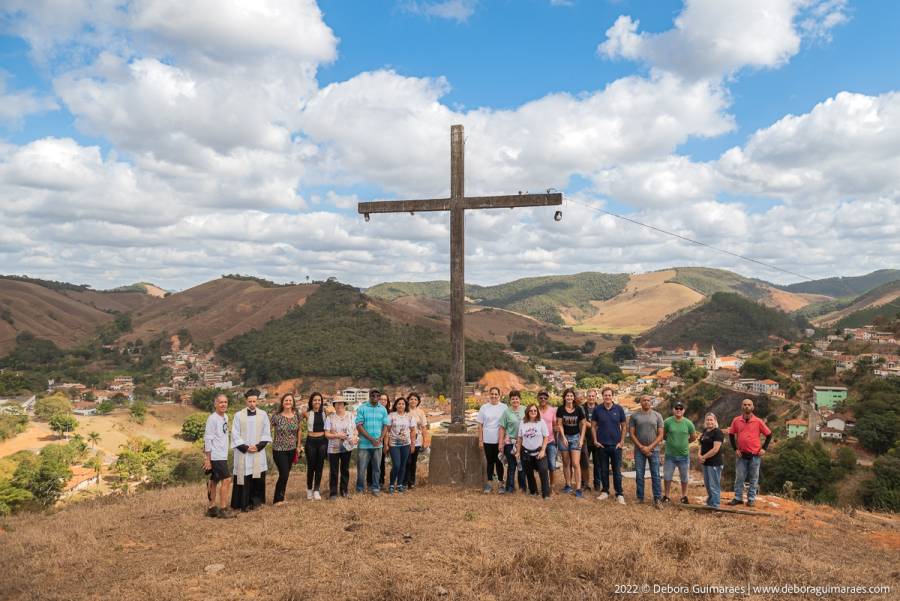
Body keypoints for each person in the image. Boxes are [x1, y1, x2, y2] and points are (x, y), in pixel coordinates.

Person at [231, 389, 272, 512]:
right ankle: (242, 504)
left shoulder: (263, 414)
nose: (252, 404)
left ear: (257, 401)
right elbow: (234, 434)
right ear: (246, 401)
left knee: (257, 477)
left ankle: (256, 502)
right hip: (243, 452)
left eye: (254, 401)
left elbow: (266, 432)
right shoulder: (238, 415)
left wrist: (258, 446)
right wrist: (245, 447)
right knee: (244, 476)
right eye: (250, 401)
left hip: (257, 452)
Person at [728, 398, 772, 508]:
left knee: (754, 478)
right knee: (739, 477)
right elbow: (731, 434)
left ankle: (751, 499)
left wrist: (764, 448)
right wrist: (735, 449)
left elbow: (769, 434)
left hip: (755, 455)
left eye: (749, 405)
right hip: (741, 454)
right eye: (745, 405)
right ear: (742, 407)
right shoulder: (736, 420)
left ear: (752, 407)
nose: (747, 406)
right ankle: (738, 498)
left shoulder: (758, 421)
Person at [591, 385, 627, 504]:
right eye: (605, 395)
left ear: (612, 396)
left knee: (617, 471)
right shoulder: (597, 409)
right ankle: (605, 491)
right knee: (604, 470)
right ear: (602, 396)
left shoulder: (619, 409)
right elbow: (593, 426)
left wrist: (621, 442)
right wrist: (595, 440)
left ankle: (619, 493)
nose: (607, 397)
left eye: (609, 395)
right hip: (602, 445)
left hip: (616, 446)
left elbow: (624, 426)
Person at [628, 395, 664, 507]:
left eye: (648, 400)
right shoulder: (634, 416)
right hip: (639, 450)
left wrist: (650, 447)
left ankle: (657, 499)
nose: (647, 402)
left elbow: (661, 434)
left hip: (655, 450)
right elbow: (632, 434)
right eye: (644, 400)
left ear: (651, 402)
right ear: (640, 402)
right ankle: (640, 498)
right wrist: (641, 447)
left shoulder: (658, 416)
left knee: (656, 475)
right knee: (639, 474)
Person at [203, 393, 234, 518]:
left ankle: (211, 508)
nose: (223, 404)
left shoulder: (225, 417)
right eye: (220, 402)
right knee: (226, 479)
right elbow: (208, 439)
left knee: (214, 480)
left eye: (225, 402)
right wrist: (208, 459)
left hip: (222, 454)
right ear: (215, 404)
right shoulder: (212, 419)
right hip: (216, 455)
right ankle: (223, 509)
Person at [356, 389, 390, 496]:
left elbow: (385, 425)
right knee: (361, 469)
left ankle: (375, 488)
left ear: (379, 397)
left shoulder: (383, 409)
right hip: (364, 445)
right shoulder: (362, 408)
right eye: (373, 395)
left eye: (377, 396)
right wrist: (371, 439)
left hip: (378, 445)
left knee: (377, 468)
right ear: (369, 396)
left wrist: (380, 438)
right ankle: (360, 488)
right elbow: (359, 426)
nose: (375, 397)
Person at [270, 393, 301, 505]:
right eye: (286, 400)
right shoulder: (276, 416)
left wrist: (298, 446)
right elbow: (268, 428)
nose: (288, 402)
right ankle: (277, 500)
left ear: (293, 403)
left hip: (292, 449)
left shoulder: (296, 415)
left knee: (286, 474)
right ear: (282, 403)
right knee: (284, 473)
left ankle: (281, 497)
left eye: (290, 401)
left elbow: (299, 430)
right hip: (278, 449)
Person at [662, 402, 697, 504]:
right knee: (667, 476)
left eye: (680, 408)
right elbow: (663, 435)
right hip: (670, 455)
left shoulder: (689, 423)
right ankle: (667, 496)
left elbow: (693, 437)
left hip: (684, 456)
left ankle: (684, 496)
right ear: (673, 410)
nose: (678, 410)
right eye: (676, 408)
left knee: (684, 477)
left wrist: (685, 442)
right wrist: (670, 441)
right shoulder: (668, 422)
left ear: (683, 411)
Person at [476, 386, 508, 493]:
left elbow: (506, 424)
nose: (494, 396)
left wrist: (504, 439)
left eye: (496, 394)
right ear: (489, 395)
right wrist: (480, 440)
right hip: (487, 439)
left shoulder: (504, 407)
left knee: (499, 462)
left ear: (499, 396)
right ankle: (489, 483)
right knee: (490, 462)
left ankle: (500, 484)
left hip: (499, 440)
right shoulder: (484, 408)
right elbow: (480, 425)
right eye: (492, 394)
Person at [516, 404, 551, 499]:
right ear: (527, 412)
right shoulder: (522, 422)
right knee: (529, 472)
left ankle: (546, 494)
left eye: (535, 410)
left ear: (537, 412)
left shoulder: (541, 422)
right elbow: (519, 438)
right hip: (526, 452)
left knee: (543, 470)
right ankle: (533, 491)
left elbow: (546, 437)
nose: (533, 412)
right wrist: (518, 452)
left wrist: (543, 450)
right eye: (531, 410)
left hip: (539, 451)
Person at [556, 387, 586, 498]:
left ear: (574, 398)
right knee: (566, 463)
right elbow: (559, 424)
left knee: (575, 463)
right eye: (567, 396)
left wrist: (581, 439)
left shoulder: (578, 409)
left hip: (575, 438)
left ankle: (578, 488)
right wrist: (563, 437)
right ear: (564, 397)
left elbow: (583, 424)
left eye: (571, 396)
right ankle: (568, 485)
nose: (569, 397)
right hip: (564, 438)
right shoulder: (560, 409)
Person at [325, 397, 357, 499]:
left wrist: (356, 437)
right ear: (334, 406)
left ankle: (344, 491)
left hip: (347, 447)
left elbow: (355, 430)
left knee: (345, 469)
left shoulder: (351, 416)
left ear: (344, 404)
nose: (339, 405)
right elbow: (326, 434)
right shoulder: (330, 417)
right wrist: (337, 435)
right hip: (333, 448)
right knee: (334, 471)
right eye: (336, 404)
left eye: (341, 403)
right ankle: (333, 493)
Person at [498, 390, 527, 494]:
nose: (515, 400)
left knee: (521, 465)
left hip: (523, 442)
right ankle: (510, 488)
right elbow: (501, 428)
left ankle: (522, 487)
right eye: (513, 398)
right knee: (512, 465)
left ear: (520, 399)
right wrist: (500, 443)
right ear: (510, 401)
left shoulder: (525, 409)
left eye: (517, 398)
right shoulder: (506, 412)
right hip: (510, 442)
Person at [387, 397, 417, 494]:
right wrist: (386, 444)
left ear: (405, 406)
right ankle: (392, 484)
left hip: (406, 444)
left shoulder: (409, 416)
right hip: (394, 444)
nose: (401, 405)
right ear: (396, 405)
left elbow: (413, 431)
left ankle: (399, 484)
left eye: (403, 404)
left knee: (403, 465)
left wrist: (413, 444)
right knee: (396, 465)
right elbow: (387, 431)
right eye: (399, 404)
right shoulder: (391, 416)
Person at [304, 392, 328, 501]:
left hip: (322, 441)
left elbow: (333, 409)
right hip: (311, 442)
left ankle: (316, 490)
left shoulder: (325, 413)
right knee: (311, 467)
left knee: (319, 466)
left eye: (319, 400)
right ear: (311, 402)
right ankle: (309, 489)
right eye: (315, 400)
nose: (317, 402)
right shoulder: (307, 413)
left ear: (321, 401)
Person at [366, 392, 392, 490]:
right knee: (370, 462)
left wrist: (386, 443)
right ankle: (369, 482)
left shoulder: (389, 413)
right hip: (373, 441)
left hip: (385, 441)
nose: (383, 401)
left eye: (385, 400)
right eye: (382, 399)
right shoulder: (373, 410)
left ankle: (380, 482)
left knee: (381, 463)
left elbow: (387, 430)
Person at [698, 412, 724, 508]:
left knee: (714, 485)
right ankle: (710, 502)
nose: (709, 422)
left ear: (715, 421)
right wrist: (699, 455)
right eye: (707, 420)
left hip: (714, 463)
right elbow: (701, 444)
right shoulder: (705, 431)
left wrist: (703, 457)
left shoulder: (718, 432)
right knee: (708, 484)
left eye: (711, 420)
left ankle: (715, 505)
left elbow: (715, 449)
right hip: (705, 463)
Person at [405, 393, 428, 489]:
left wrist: (425, 441)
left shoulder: (421, 412)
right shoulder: (405, 411)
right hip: (406, 440)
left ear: (418, 401)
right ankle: (404, 481)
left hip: (418, 440)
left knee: (413, 462)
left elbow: (424, 428)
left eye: (415, 399)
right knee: (407, 461)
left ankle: (411, 482)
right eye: (411, 399)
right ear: (408, 400)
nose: (413, 401)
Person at [537, 390, 558, 491]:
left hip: (550, 441)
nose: (543, 399)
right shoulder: (535, 410)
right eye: (541, 398)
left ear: (548, 399)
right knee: (542, 466)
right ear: (538, 398)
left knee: (552, 464)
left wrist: (556, 438)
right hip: (538, 443)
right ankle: (544, 484)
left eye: (545, 398)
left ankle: (552, 484)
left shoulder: (552, 410)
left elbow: (555, 425)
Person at [580, 389, 599, 492]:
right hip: (585, 439)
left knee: (597, 464)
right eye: (589, 396)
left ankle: (597, 484)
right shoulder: (582, 408)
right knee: (584, 463)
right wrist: (593, 426)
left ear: (596, 397)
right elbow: (581, 422)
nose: (591, 398)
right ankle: (584, 483)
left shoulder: (600, 408)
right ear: (587, 396)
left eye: (593, 396)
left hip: (597, 439)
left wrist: (591, 425)